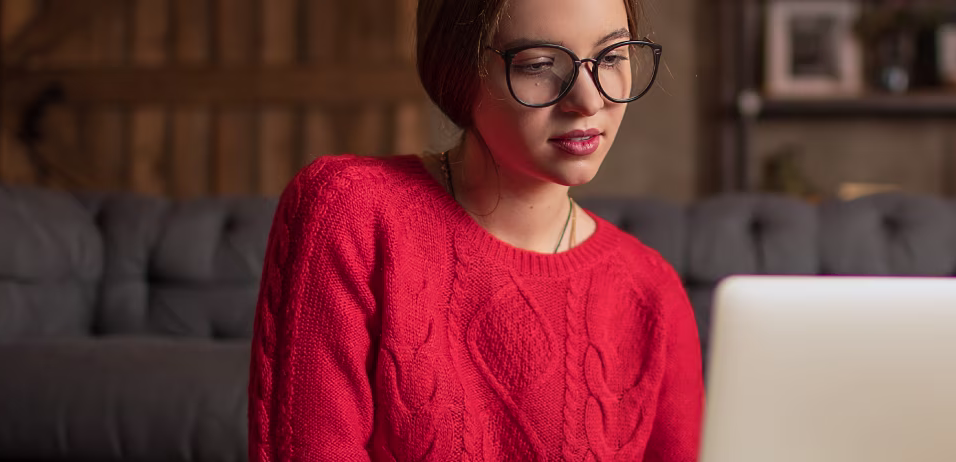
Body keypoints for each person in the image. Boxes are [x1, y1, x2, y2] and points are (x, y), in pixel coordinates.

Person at [246, 0, 703, 459]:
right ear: (459, 70)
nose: (589, 100)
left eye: (612, 57)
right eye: (540, 64)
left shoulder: (652, 292)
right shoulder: (349, 212)